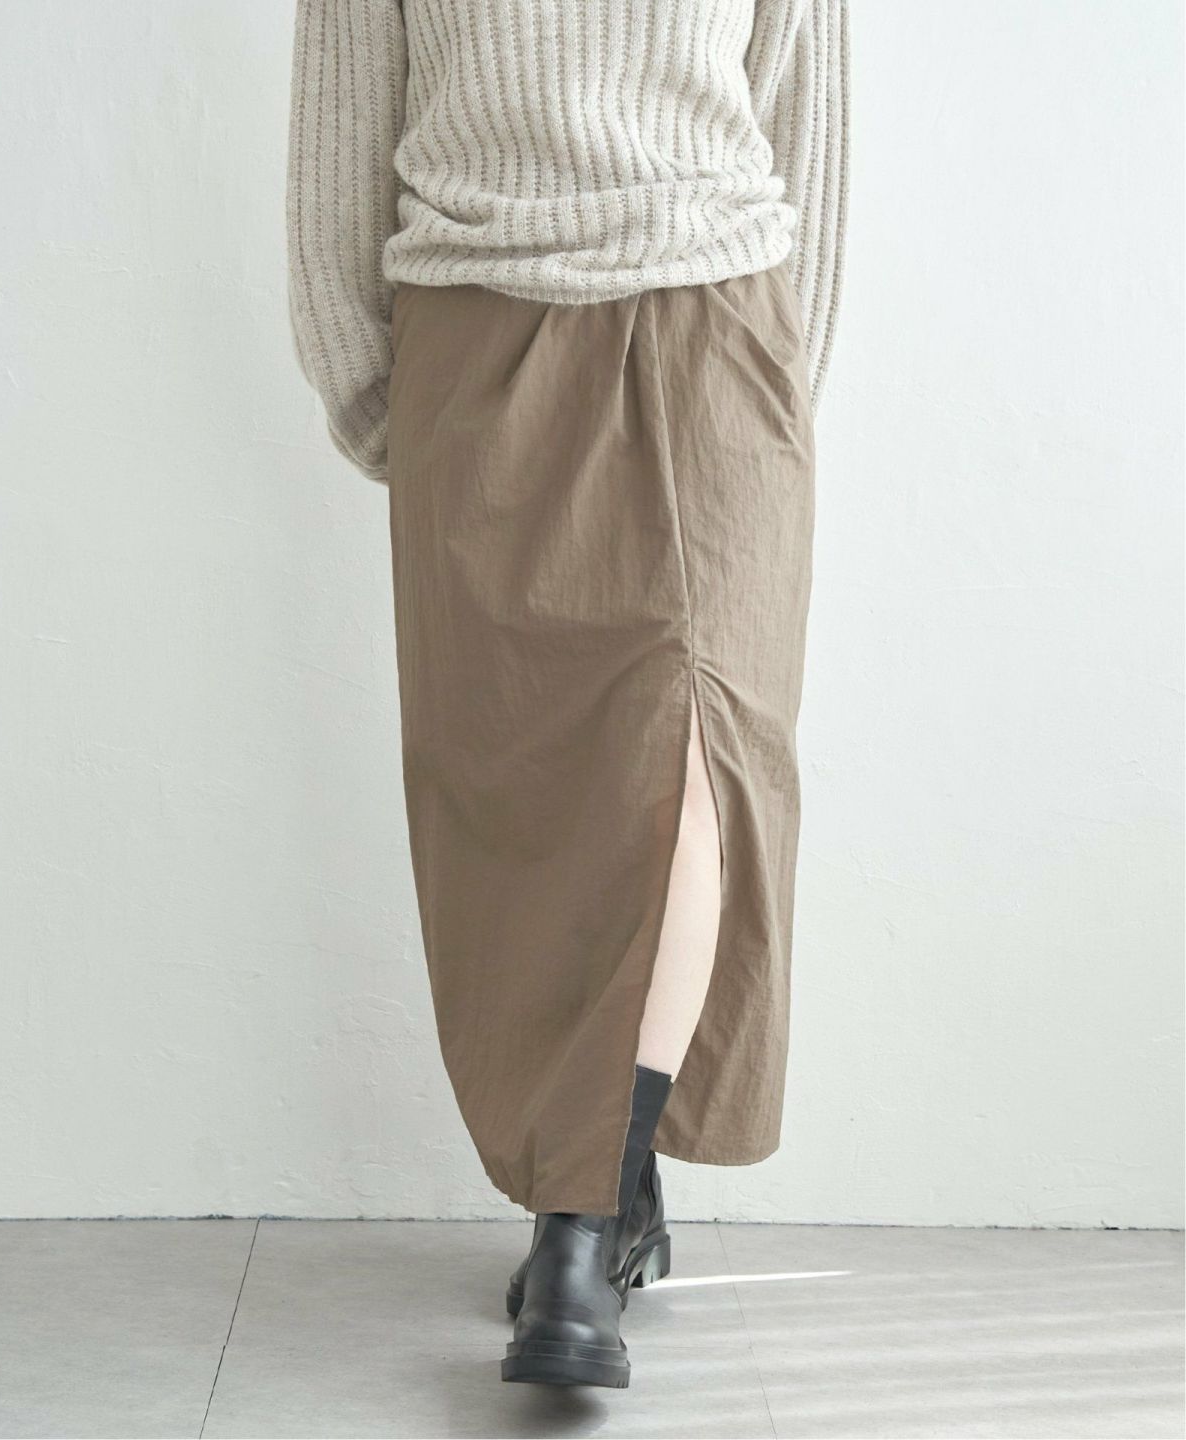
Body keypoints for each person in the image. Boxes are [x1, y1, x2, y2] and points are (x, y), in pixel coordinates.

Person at [286, 0, 848, 1390]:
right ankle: (615, 1170)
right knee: (514, 791)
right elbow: (337, 153)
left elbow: (808, 128)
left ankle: (577, 1235)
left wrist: (782, 385)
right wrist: (387, 404)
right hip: (479, 337)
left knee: (700, 754)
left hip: (716, 320)